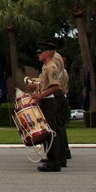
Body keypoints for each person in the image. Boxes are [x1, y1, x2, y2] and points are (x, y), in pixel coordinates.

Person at [28, 40, 67, 172]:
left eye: (41, 52)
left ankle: (54, 162)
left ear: (47, 54)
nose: (39, 55)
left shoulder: (51, 67)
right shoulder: (47, 67)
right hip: (46, 100)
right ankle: (52, 158)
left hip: (49, 101)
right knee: (49, 132)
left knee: (51, 132)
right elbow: (45, 83)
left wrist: (41, 95)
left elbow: (56, 86)